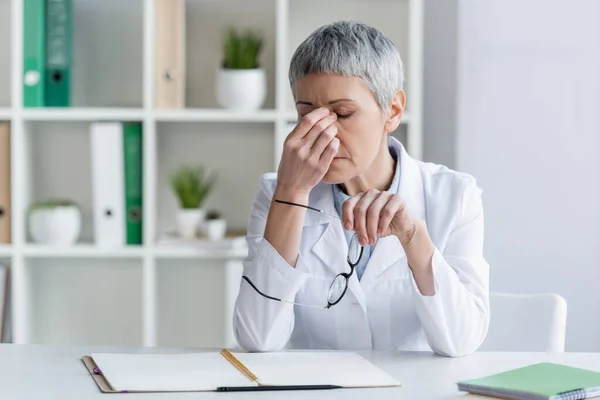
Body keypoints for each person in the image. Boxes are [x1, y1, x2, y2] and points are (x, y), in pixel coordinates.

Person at [232, 20, 490, 357]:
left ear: (392, 111)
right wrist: (292, 194)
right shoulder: (276, 194)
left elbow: (462, 342)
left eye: (342, 113)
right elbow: (257, 339)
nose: (323, 133)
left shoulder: (455, 196)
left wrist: (413, 236)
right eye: (306, 114)